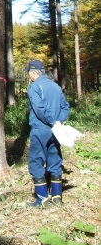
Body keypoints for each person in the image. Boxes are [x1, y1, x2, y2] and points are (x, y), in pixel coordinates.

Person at [25, 59, 70, 207]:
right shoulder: (56, 87)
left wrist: (52, 121)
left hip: (41, 129)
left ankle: (42, 198)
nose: (29, 76)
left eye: (29, 73)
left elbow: (39, 109)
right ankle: (57, 196)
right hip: (56, 130)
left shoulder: (34, 87)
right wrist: (59, 121)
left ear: (33, 73)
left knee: (36, 161)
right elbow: (65, 106)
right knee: (55, 159)